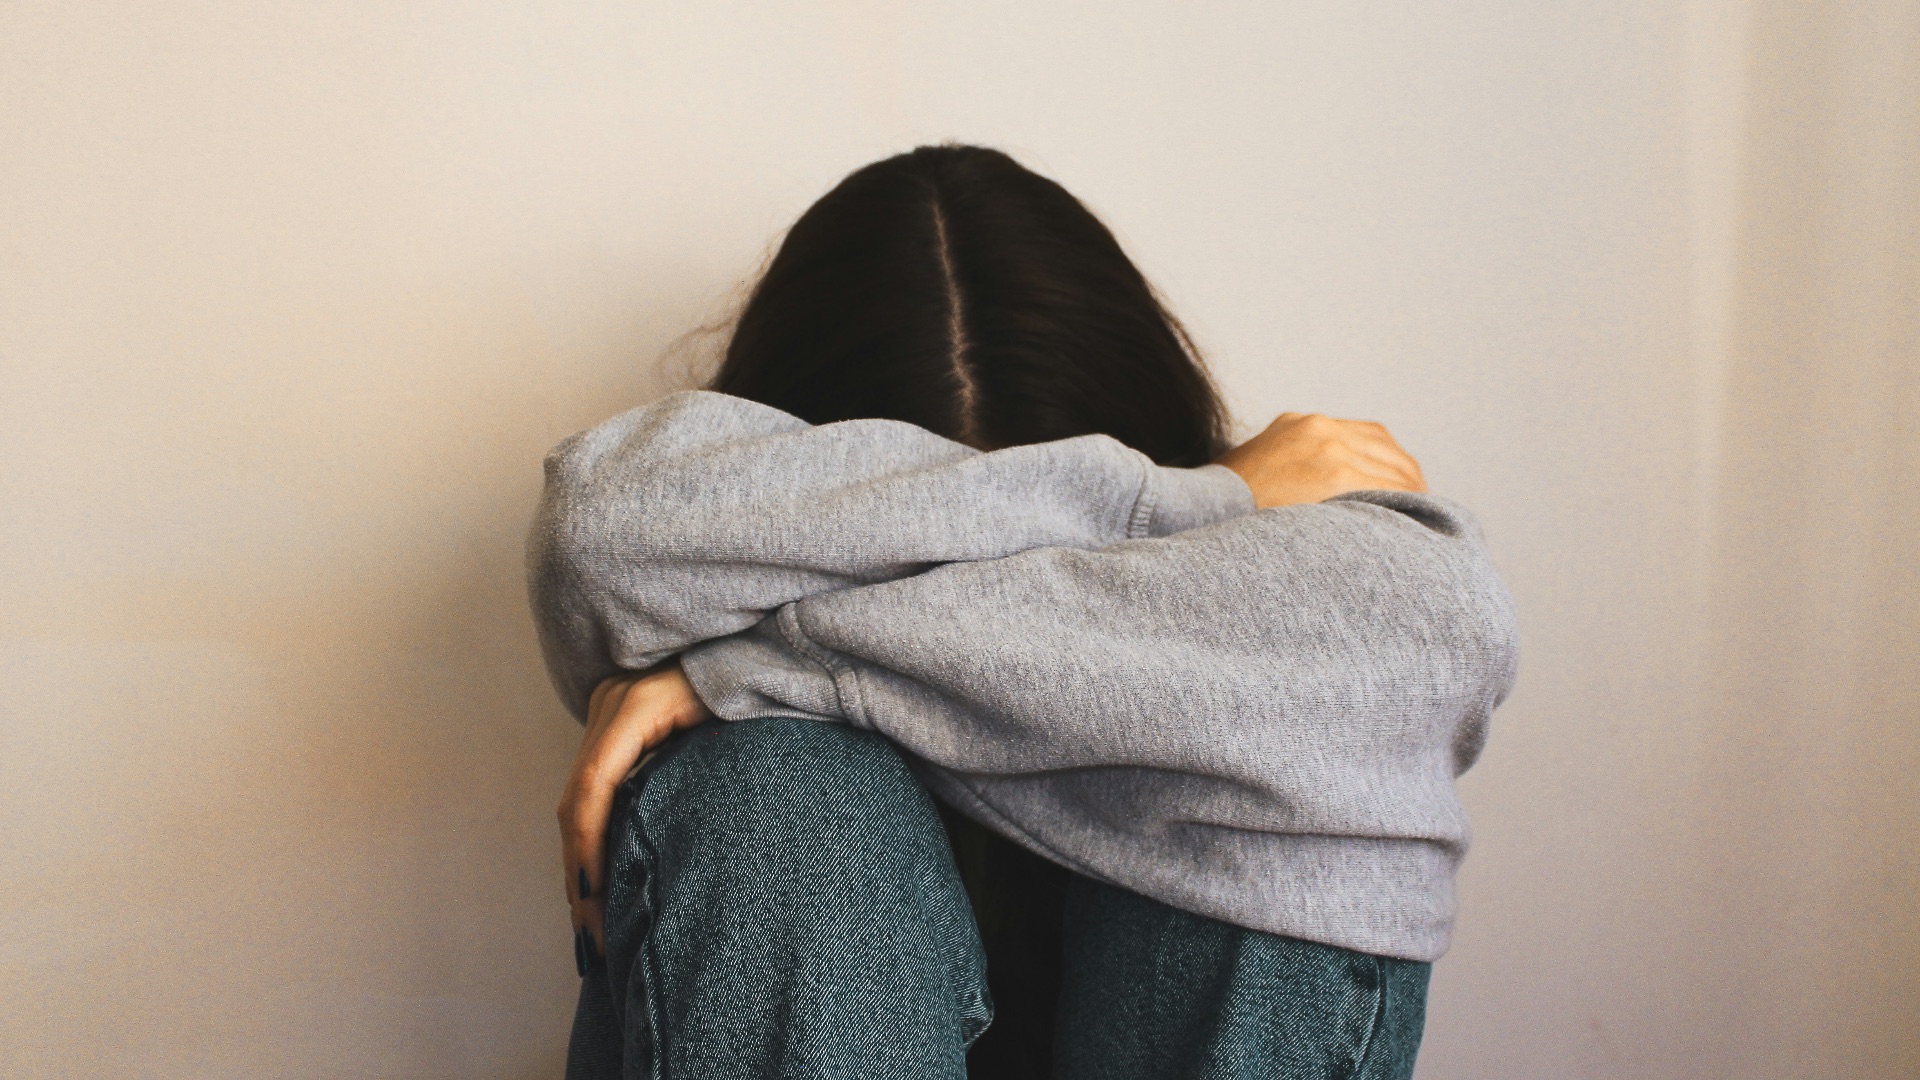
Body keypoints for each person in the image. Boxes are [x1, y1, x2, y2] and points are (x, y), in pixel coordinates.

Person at [526, 145, 1518, 1079]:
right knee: (771, 782)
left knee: (1284, 759)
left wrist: (752, 659)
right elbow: (597, 533)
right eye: (909, 549)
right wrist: (1185, 509)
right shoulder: (1205, 509)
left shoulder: (741, 638)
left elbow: (1439, 629)